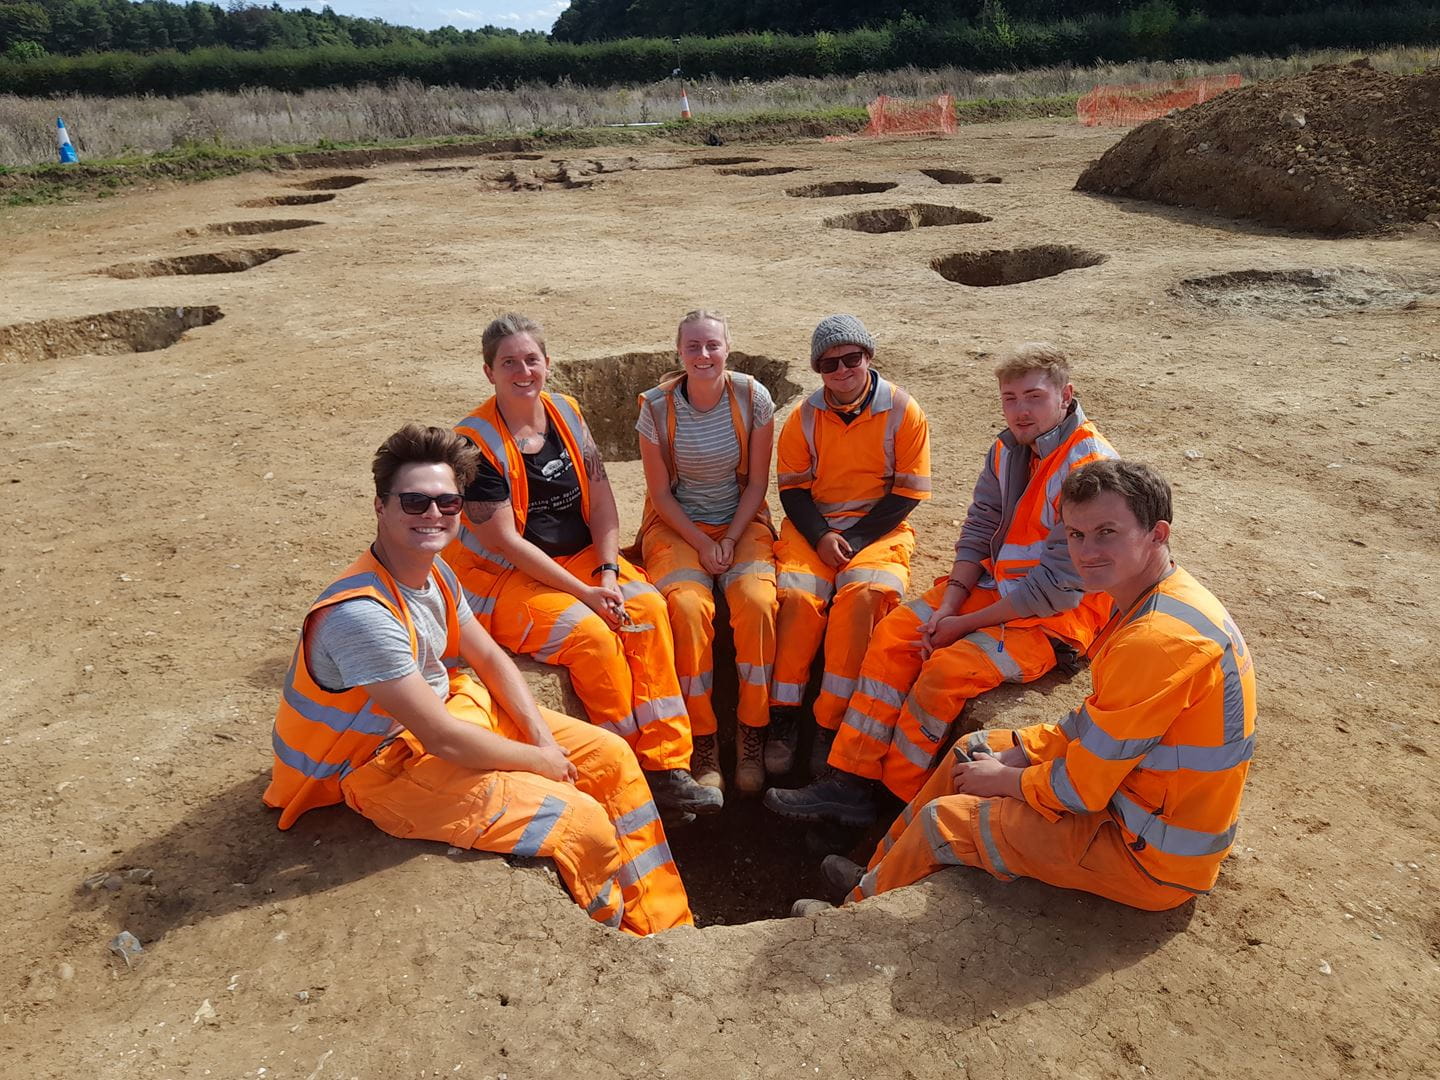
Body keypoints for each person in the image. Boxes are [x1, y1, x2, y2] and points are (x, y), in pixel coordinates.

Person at [264, 423, 693, 935]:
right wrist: (540, 761)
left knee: (610, 757)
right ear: (380, 507)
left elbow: (489, 658)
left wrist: (541, 739)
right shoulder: (361, 616)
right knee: (581, 822)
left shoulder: (435, 572)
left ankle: (670, 927)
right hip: (374, 765)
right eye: (415, 502)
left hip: (441, 720)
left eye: (447, 503)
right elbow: (442, 739)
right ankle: (620, 940)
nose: (433, 514)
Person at [792, 459, 1257, 915]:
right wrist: (1021, 753)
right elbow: (1098, 725)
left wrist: (1008, 780)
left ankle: (849, 914)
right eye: (1076, 534)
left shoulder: (1154, 642)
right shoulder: (1157, 599)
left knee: (944, 821)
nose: (1086, 551)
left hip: (1146, 854)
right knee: (972, 749)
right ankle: (878, 872)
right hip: (1135, 799)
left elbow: (1081, 791)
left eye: (1106, 532)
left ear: (1157, 533)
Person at [766, 342, 1116, 826]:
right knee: (895, 634)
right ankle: (849, 782)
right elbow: (979, 529)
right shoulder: (1008, 449)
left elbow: (1057, 588)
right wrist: (949, 605)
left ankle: (894, 808)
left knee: (944, 672)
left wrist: (963, 623)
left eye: (1033, 397)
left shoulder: (1089, 469)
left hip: (1056, 621)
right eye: (1010, 398)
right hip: (994, 589)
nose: (1020, 410)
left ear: (1066, 395)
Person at [444, 313, 720, 820]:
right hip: (503, 578)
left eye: (531, 360)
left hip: (581, 559)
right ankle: (624, 772)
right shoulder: (473, 444)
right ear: (489, 372)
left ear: (547, 363)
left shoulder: (566, 412)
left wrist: (609, 572)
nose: (523, 372)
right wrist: (585, 593)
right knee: (592, 636)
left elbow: (601, 496)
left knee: (647, 610)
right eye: (509, 363)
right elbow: (505, 542)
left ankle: (667, 767)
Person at [766, 314, 931, 776]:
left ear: (868, 357)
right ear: (818, 370)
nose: (842, 371)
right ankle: (782, 716)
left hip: (878, 529)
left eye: (851, 359)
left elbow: (908, 492)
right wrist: (822, 536)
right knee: (797, 596)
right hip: (813, 526)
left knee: (864, 595)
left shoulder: (904, 411)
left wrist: (854, 540)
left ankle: (829, 726)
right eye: (829, 364)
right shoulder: (802, 417)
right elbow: (793, 490)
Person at [636, 310, 778, 795]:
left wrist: (730, 539)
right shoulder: (655, 409)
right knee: (686, 607)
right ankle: (703, 740)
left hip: (741, 521)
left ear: (727, 348)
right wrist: (702, 543)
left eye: (712, 345)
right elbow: (661, 495)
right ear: (679, 352)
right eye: (693, 346)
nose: (703, 354)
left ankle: (752, 731)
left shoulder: (753, 398)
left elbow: (757, 483)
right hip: (677, 527)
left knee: (758, 603)